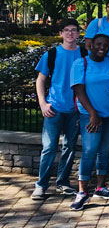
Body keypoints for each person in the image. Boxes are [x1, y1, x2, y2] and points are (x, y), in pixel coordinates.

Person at [31, 19, 85, 200]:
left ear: (78, 34)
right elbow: (40, 80)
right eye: (66, 30)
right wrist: (42, 103)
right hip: (54, 107)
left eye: (74, 30)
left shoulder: (85, 54)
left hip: (76, 109)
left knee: (69, 146)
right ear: (60, 33)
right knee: (49, 147)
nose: (70, 34)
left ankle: (63, 182)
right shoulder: (52, 54)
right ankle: (41, 185)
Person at [69, 34, 109, 209]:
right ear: (91, 45)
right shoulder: (81, 64)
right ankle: (82, 192)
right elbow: (79, 90)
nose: (102, 48)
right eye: (99, 44)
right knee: (90, 150)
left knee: (105, 151)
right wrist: (93, 113)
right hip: (90, 116)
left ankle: (100, 187)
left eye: (106, 45)